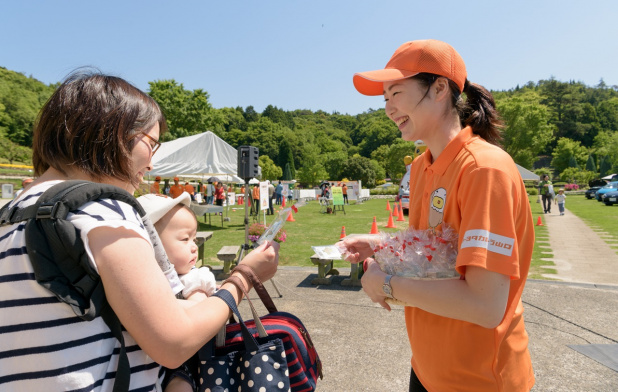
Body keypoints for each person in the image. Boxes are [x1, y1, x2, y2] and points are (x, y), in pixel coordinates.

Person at [0, 70, 279, 391]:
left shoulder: (11, 211)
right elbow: (174, 342)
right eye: (152, 144)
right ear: (112, 131)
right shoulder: (101, 208)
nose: (151, 164)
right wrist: (243, 277)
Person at [343, 39, 535, 391]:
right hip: (428, 368)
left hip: (478, 379)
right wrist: (381, 244)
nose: (388, 107)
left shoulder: (483, 169)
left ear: (439, 88)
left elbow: (485, 304)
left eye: (396, 92)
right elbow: (436, 250)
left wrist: (385, 284)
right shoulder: (421, 168)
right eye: (384, 98)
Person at [138, 192, 216, 301]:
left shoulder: (191, 282)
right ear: (152, 244)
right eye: (185, 239)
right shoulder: (141, 281)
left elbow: (199, 311)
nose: (195, 247)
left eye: (194, 240)